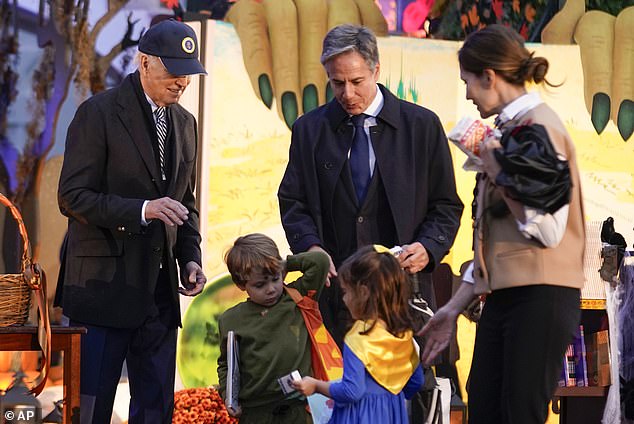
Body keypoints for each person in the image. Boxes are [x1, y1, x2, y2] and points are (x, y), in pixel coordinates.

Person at [419, 24, 585, 424]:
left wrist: (501, 173)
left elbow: (546, 231)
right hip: (507, 298)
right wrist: (453, 309)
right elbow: (498, 247)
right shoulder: (507, 134)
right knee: (485, 408)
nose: (467, 95)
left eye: (469, 82)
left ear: (490, 76)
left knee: (517, 414)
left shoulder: (540, 129)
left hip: (541, 295)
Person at [56, 19, 207, 424]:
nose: (182, 83)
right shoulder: (98, 113)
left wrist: (190, 258)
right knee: (90, 411)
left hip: (159, 298)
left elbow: (185, 205)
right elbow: (71, 197)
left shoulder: (186, 125)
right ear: (144, 63)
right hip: (102, 295)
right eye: (173, 72)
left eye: (188, 74)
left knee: (156, 411)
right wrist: (143, 209)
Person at [277, 23, 464, 347]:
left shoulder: (422, 126)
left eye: (356, 82)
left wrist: (428, 247)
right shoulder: (310, 130)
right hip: (336, 297)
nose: (347, 94)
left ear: (376, 69)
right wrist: (312, 249)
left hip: (404, 296)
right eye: (337, 83)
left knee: (406, 393)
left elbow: (446, 205)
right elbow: (293, 201)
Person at [292, 245, 424, 423]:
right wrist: (392, 397)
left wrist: (316, 386)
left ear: (363, 292)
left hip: (359, 416)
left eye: (346, 292)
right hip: (392, 414)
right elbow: (416, 382)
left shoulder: (358, 338)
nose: (344, 299)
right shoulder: (403, 333)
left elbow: (352, 391)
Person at [217, 233, 330, 423]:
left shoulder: (297, 298)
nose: (270, 289)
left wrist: (284, 263)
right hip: (256, 412)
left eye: (275, 279)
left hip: (300, 408)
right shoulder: (231, 319)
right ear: (241, 284)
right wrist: (228, 396)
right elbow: (227, 365)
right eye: (260, 285)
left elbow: (320, 262)